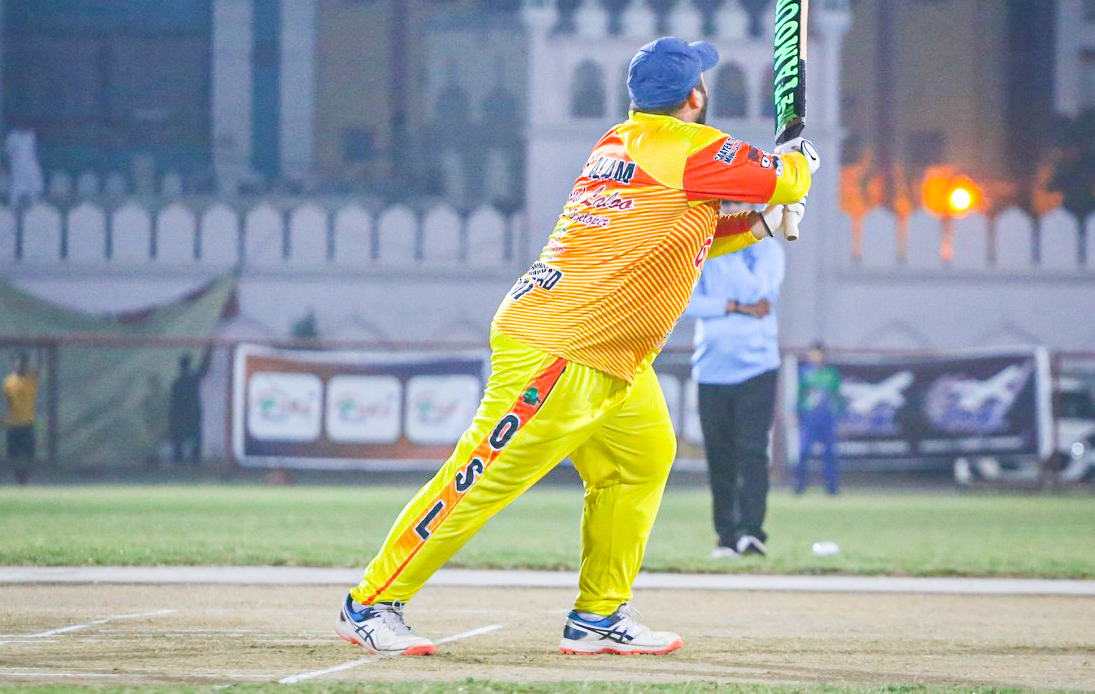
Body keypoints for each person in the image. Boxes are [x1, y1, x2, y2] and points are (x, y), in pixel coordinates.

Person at [336, 36, 818, 656]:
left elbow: (681, 232)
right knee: (481, 477)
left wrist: (755, 224)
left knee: (642, 459)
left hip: (609, 351)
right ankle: (370, 603)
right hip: (560, 345)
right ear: (695, 96)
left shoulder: (620, 143)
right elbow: (785, 179)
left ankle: (599, 616)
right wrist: (797, 160)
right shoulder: (693, 148)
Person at [684, 223, 785, 558]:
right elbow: (686, 302)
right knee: (719, 457)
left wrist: (731, 248)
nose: (728, 212)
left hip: (758, 368)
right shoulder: (702, 250)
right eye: (724, 204)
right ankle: (726, 536)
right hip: (710, 369)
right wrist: (733, 307)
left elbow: (758, 294)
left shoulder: (767, 250)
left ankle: (752, 532)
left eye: (735, 205)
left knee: (752, 452)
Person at [794, 342, 843, 495]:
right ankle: (799, 486)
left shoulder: (831, 374)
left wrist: (841, 416)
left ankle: (832, 488)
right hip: (809, 418)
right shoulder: (804, 373)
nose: (815, 356)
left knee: (830, 453)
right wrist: (796, 413)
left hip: (827, 417)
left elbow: (837, 396)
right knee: (803, 452)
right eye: (813, 353)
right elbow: (799, 395)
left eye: (818, 353)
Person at [2, 351, 39, 485]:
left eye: (22, 362)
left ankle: (26, 478)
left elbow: (38, 368)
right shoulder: (9, 381)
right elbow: (7, 400)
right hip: (13, 423)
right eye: (17, 362)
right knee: (13, 454)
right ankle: (17, 478)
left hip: (27, 423)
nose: (19, 365)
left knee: (28, 454)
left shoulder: (31, 379)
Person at [169, 354, 202, 464]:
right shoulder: (189, 380)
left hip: (185, 414)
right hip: (189, 413)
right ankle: (190, 459)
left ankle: (184, 459)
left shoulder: (179, 382)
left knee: (187, 437)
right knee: (191, 437)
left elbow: (173, 401)